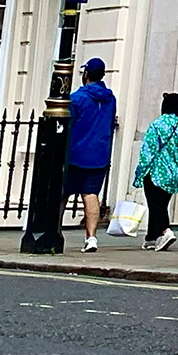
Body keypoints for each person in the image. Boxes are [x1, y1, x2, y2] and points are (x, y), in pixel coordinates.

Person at [130, 92, 178, 252]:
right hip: (175, 174)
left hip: (156, 172)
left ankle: (166, 231)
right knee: (161, 204)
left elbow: (147, 152)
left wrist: (139, 173)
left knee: (155, 205)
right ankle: (151, 238)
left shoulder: (157, 125)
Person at [65, 57, 117, 254]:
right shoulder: (110, 99)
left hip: (75, 154)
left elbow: (68, 123)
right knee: (91, 195)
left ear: (86, 74)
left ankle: (54, 231)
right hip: (99, 155)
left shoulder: (77, 98)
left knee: (62, 195)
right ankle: (91, 238)